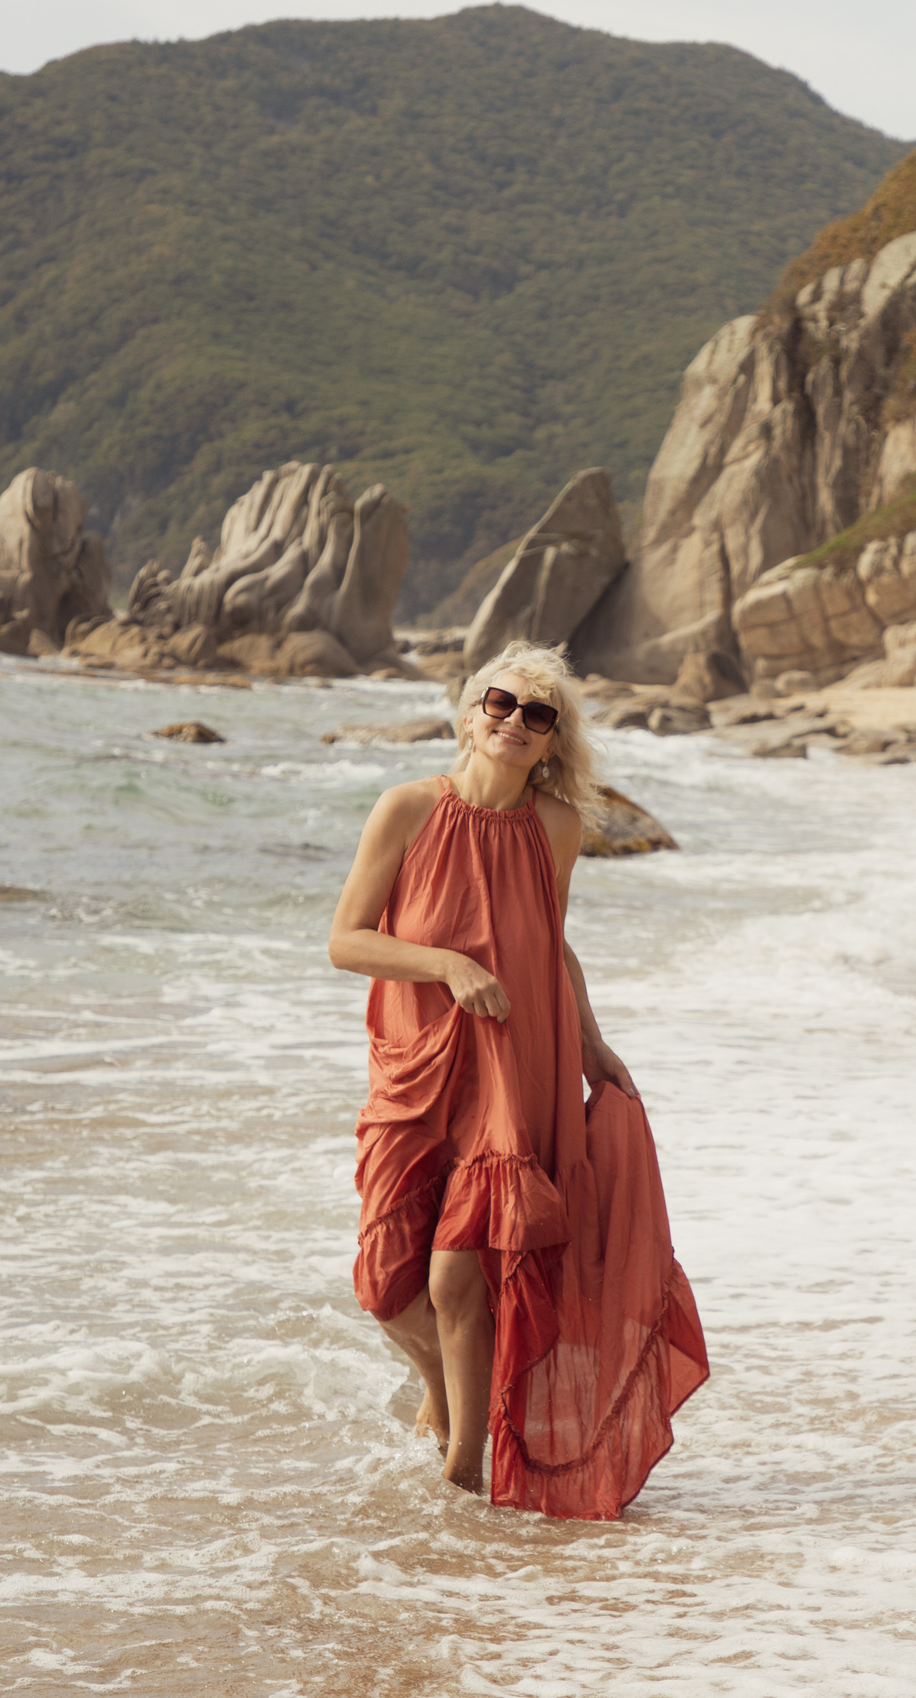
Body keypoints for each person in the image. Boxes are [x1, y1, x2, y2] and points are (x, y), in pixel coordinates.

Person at [326, 639, 707, 1518]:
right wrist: (448, 965)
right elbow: (347, 939)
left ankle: (466, 1473)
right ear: (470, 713)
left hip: (513, 1062)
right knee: (387, 1285)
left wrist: (592, 1044)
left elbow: (552, 940)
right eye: (501, 703)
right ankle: (446, 1392)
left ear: (549, 743)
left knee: (460, 1276)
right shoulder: (406, 810)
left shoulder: (558, 828)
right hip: (418, 1065)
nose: (514, 722)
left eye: (538, 716)